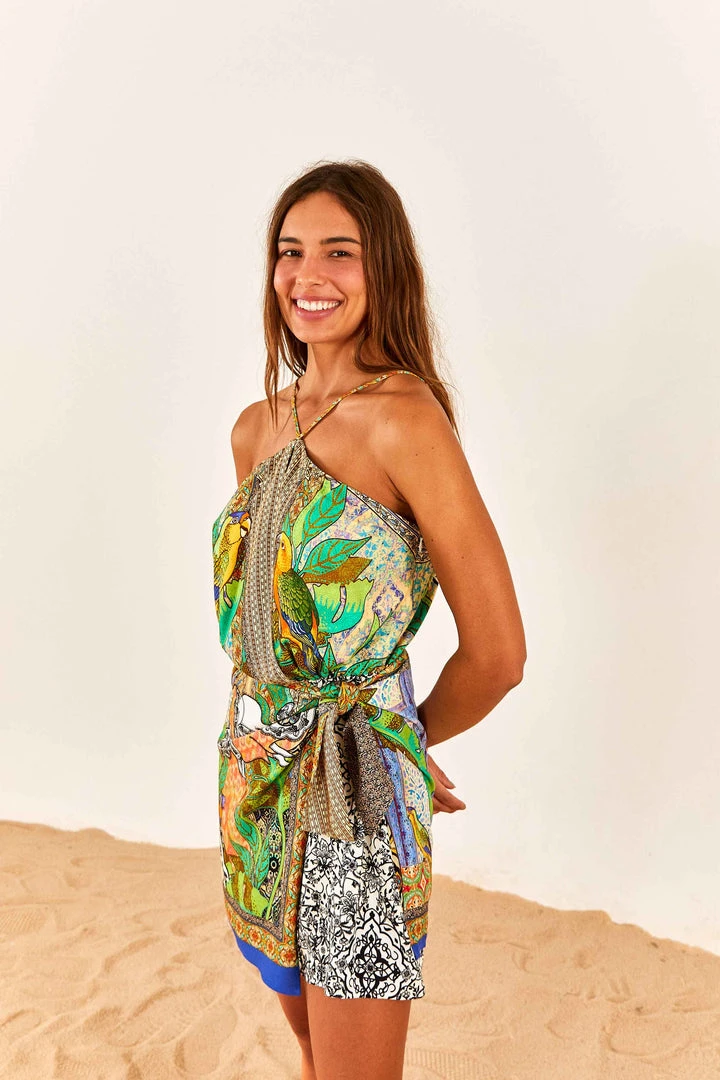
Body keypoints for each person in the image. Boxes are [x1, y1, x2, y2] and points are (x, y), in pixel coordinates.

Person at [211, 160, 526, 1080]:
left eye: (339, 252)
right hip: (254, 775)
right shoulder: (255, 428)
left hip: (354, 792)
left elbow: (499, 654)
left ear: (383, 267)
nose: (308, 275)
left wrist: (398, 740)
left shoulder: (405, 420)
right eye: (290, 251)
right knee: (314, 1045)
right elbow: (267, 618)